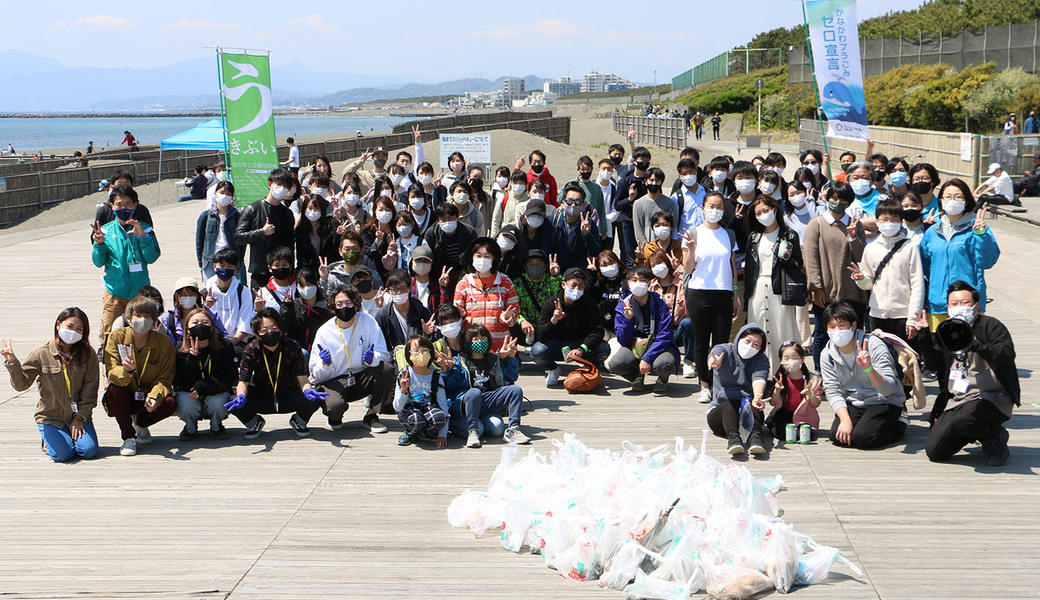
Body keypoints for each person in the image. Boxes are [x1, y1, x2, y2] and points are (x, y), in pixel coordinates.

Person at [925, 281, 1017, 466]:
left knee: (965, 421)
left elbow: (1007, 354)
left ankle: (994, 439)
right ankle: (973, 430)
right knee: (935, 452)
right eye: (954, 304)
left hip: (991, 396)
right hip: (958, 398)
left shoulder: (990, 325)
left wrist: (976, 345)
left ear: (976, 306)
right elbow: (934, 364)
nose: (959, 307)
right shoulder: (946, 330)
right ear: (948, 307)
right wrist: (923, 336)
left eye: (964, 303)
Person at [3, 308, 100, 462]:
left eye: (79, 329)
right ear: (58, 325)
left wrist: (80, 417)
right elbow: (21, 384)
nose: (73, 332)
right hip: (51, 416)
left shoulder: (88, 354)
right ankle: (50, 439)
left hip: (78, 415)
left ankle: (66, 437)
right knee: (63, 455)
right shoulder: (41, 353)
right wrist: (13, 363)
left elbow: (91, 389)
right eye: (69, 326)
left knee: (88, 451)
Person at [224, 308, 328, 438]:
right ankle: (254, 422)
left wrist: (308, 390)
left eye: (274, 328)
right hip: (262, 394)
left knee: (315, 397)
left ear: (280, 329)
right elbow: (243, 381)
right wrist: (241, 396)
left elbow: (302, 379)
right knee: (233, 402)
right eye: (264, 330)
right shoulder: (251, 350)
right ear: (257, 334)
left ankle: (299, 421)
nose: (270, 332)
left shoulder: (292, 346)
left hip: (288, 393)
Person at [820, 301, 908, 450]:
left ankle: (901, 422)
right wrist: (845, 419)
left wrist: (868, 369)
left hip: (884, 400)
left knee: (863, 438)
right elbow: (832, 390)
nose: (837, 331)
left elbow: (889, 389)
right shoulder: (827, 354)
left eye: (842, 326)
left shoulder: (873, 345)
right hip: (855, 400)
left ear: (853, 326)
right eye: (832, 327)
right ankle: (863, 423)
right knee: (837, 436)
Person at [308, 286, 394, 433]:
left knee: (387, 368)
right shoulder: (324, 332)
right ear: (333, 307)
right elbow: (315, 374)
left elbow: (384, 354)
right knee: (335, 407)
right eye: (339, 304)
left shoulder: (368, 321)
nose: (344, 307)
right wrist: (325, 364)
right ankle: (335, 416)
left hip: (361, 376)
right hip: (335, 379)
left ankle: (372, 415)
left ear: (355, 304)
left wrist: (372, 359)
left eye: (348, 303)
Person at [919, 179, 999, 331]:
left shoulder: (977, 227)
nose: (952, 200)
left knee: (971, 343)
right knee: (940, 343)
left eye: (958, 196)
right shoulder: (932, 232)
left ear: (966, 200)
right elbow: (926, 265)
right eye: (948, 196)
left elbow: (987, 261)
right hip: (939, 303)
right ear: (941, 200)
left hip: (968, 304)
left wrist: (981, 235)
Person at [803, 181, 868, 370]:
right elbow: (810, 258)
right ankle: (821, 371)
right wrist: (815, 287)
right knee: (823, 333)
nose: (837, 202)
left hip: (851, 291)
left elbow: (861, 256)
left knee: (852, 333)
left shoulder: (855, 224)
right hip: (826, 291)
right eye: (834, 198)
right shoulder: (816, 224)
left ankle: (854, 370)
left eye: (842, 200)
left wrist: (853, 237)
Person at [102, 296, 177, 457]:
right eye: (138, 315)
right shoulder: (116, 338)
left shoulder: (164, 343)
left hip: (147, 395)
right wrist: (126, 371)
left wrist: (155, 396)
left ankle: (141, 423)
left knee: (170, 403)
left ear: (154, 321)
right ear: (128, 319)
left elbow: (165, 378)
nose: (142, 320)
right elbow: (111, 372)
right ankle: (128, 436)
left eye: (147, 316)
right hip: (125, 393)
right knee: (115, 389)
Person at [683, 191, 739, 403]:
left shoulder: (729, 235)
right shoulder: (693, 233)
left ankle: (718, 383)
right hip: (699, 292)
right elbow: (689, 268)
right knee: (701, 341)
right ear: (702, 208)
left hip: (723, 292)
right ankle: (704, 385)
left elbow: (732, 267)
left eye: (719, 207)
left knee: (721, 342)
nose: (715, 210)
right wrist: (690, 249)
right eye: (711, 206)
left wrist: (735, 294)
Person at [91, 184, 161, 346]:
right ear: (112, 206)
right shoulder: (105, 231)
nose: (123, 208)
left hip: (139, 294)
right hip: (114, 293)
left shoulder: (145, 229)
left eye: (128, 204)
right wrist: (99, 245)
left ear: (135, 205)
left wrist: (143, 238)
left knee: (143, 335)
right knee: (109, 336)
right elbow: (98, 262)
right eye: (119, 204)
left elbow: (152, 257)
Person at [850, 198, 925, 342]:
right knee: (879, 353)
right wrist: (861, 279)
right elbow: (868, 283)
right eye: (884, 219)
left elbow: (917, 285)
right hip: (877, 314)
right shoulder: (870, 248)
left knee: (905, 355)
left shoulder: (910, 247)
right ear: (877, 221)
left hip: (903, 315)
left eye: (894, 219)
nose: (889, 223)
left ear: (901, 222)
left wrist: (913, 319)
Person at [443, 324, 529, 448]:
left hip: (487, 402)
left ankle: (513, 429)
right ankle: (472, 430)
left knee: (497, 428)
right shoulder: (460, 360)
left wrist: (509, 359)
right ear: (468, 341)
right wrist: (449, 370)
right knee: (475, 398)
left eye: (483, 338)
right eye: (476, 339)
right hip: (467, 405)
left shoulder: (493, 358)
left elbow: (510, 377)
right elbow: (452, 387)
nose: (480, 342)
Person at [745, 195, 802, 370]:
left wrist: (787, 259)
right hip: (757, 288)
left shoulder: (789, 235)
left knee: (781, 330)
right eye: (758, 213)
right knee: (758, 331)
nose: (763, 215)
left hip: (779, 287)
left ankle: (783, 372)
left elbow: (798, 264)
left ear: (775, 210)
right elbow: (749, 269)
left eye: (766, 210)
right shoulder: (754, 237)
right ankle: (760, 373)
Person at [607, 264, 680, 393]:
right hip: (635, 345)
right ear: (628, 283)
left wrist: (647, 358)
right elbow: (623, 340)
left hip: (657, 346)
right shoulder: (623, 305)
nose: (638, 283)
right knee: (616, 364)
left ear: (649, 283)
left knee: (664, 364)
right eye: (634, 280)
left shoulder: (659, 304)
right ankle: (637, 377)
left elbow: (664, 336)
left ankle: (662, 379)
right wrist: (628, 320)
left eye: (642, 280)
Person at [532, 267, 609, 386]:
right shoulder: (550, 304)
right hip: (557, 345)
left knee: (603, 348)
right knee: (537, 350)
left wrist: (582, 348)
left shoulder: (589, 303)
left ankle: (589, 368)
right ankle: (552, 369)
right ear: (563, 285)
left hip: (580, 343)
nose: (577, 289)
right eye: (573, 285)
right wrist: (553, 321)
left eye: (581, 285)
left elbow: (597, 331)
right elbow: (541, 336)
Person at [704, 324, 770, 456]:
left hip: (747, 412)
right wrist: (714, 362)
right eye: (747, 341)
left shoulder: (761, 360)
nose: (750, 346)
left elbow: (759, 378)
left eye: (756, 344)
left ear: (760, 348)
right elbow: (714, 357)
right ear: (739, 337)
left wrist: (758, 396)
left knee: (751, 403)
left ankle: (756, 439)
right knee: (730, 403)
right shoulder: (724, 350)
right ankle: (734, 440)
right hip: (721, 413)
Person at [172, 308, 237, 440]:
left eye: (205, 323)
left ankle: (217, 426)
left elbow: (229, 376)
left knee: (218, 402)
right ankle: (190, 427)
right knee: (184, 402)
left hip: (216, 392)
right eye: (195, 323)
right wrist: (191, 359)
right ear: (187, 328)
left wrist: (203, 387)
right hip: (190, 394)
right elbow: (178, 381)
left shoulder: (224, 346)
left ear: (212, 328)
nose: (200, 326)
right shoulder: (179, 350)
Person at [454, 237, 520, 352]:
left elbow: (515, 311)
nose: (482, 260)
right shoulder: (463, 285)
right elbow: (455, 318)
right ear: (472, 258)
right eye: (478, 256)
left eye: (487, 256)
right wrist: (461, 316)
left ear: (494, 258)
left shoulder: (505, 282)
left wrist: (507, 318)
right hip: (472, 346)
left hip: (500, 346)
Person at [234, 169, 297, 290]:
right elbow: (238, 237)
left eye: (285, 187)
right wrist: (261, 232)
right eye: (279, 184)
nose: (282, 189)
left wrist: (290, 268)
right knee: (259, 301)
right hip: (260, 270)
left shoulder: (287, 213)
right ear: (269, 184)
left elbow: (290, 243)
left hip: (281, 271)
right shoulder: (253, 209)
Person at [393, 335, 449, 447]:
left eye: (424, 350)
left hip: (428, 408)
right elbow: (397, 407)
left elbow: (443, 405)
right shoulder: (405, 375)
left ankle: (424, 433)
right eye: (416, 350)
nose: (421, 354)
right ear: (409, 354)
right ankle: (410, 433)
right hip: (409, 412)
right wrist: (403, 390)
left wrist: (443, 435)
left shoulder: (436, 376)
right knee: (416, 419)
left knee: (440, 417)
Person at [765, 341, 822, 441]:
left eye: (795, 357)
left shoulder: (812, 380)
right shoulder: (780, 379)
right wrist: (777, 390)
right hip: (783, 414)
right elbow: (773, 403)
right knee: (784, 434)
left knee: (807, 435)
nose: (790, 361)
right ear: (781, 360)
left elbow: (816, 404)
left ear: (802, 359)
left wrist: (810, 394)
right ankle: (773, 425)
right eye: (786, 358)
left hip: (803, 415)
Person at [424, 202, 478, 299]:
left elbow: (473, 256)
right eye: (443, 219)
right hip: (439, 274)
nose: (447, 222)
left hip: (463, 273)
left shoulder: (469, 232)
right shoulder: (431, 234)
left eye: (450, 218)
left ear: (457, 217)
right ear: (437, 221)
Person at [204, 248, 254, 350]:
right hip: (211, 342)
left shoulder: (243, 291)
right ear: (214, 266)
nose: (225, 269)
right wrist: (206, 307)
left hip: (236, 343)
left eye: (230, 266)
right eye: (222, 266)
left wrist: (230, 343)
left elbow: (245, 325)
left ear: (235, 268)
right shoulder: (205, 292)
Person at [376, 269, 435, 352]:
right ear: (388, 291)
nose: (399, 292)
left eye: (402, 288)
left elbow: (430, 345)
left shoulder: (421, 311)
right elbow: (380, 345)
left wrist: (427, 334)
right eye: (394, 289)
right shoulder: (383, 316)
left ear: (410, 288)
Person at [613, 146, 651, 268]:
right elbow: (617, 205)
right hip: (629, 223)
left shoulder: (651, 179)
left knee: (649, 255)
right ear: (634, 161)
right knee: (630, 257)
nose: (645, 163)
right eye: (642, 160)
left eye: (647, 160)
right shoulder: (625, 180)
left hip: (648, 223)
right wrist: (630, 199)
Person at [514, 249, 561, 346]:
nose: (535, 266)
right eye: (531, 264)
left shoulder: (552, 281)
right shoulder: (518, 283)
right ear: (525, 267)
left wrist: (555, 276)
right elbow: (512, 307)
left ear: (545, 266)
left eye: (539, 263)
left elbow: (559, 297)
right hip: (524, 330)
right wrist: (521, 321)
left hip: (547, 329)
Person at [196, 181, 242, 281]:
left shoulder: (237, 217)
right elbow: (199, 241)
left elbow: (242, 242)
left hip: (231, 259)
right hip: (210, 259)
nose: (224, 196)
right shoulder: (206, 216)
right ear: (215, 194)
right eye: (222, 192)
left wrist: (239, 260)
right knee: (211, 288)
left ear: (232, 197)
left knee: (231, 287)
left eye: (228, 194)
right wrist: (201, 264)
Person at [163, 277, 228, 347]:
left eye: (191, 294)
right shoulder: (169, 318)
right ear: (176, 296)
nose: (188, 297)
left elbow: (224, 335)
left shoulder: (209, 313)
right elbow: (169, 344)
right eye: (183, 295)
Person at [320, 229, 384, 298]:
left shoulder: (372, 276)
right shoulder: (333, 277)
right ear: (340, 251)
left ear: (362, 250)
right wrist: (323, 280)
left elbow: (381, 296)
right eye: (347, 249)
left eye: (355, 249)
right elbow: (326, 299)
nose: (351, 252)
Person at [632, 167, 679, 245]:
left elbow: (673, 226)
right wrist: (646, 247)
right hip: (646, 246)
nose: (654, 183)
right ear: (645, 181)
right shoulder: (638, 204)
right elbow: (638, 229)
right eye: (651, 180)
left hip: (665, 246)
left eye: (657, 181)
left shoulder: (670, 203)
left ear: (661, 182)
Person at [294, 195, 338, 271]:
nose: (313, 212)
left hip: (330, 270)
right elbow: (301, 259)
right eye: (310, 208)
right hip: (309, 272)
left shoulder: (331, 226)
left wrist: (338, 234)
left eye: (316, 208)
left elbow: (335, 249)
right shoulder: (301, 231)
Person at [491, 170, 529, 236]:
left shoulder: (529, 200)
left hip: (523, 236)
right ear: (510, 183)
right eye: (515, 183)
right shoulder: (504, 198)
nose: (518, 185)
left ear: (526, 184)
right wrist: (494, 236)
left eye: (521, 183)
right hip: (506, 235)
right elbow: (496, 220)